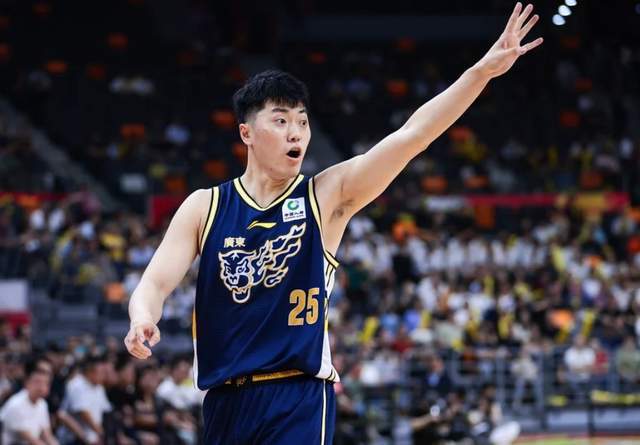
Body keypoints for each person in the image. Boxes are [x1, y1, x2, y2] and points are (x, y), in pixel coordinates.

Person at [124, 3, 542, 443]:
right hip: (224, 401)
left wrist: (480, 73)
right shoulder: (205, 206)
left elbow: (412, 136)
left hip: (298, 397)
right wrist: (141, 317)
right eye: (280, 121)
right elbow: (154, 283)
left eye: (302, 123)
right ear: (246, 133)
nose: (295, 133)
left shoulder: (326, 196)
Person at [0, 367, 58, 445]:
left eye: (46, 383)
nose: (41, 387)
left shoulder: (43, 404)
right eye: (37, 382)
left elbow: (47, 435)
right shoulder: (15, 404)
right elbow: (30, 439)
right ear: (27, 383)